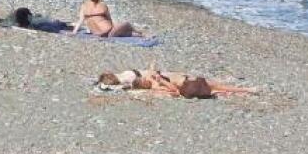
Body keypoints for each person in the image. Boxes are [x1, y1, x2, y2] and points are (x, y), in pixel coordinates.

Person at [96, 69, 254, 98]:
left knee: (216, 89)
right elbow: (174, 91)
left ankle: (242, 90)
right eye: (142, 80)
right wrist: (161, 80)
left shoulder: (150, 80)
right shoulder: (155, 84)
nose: (144, 79)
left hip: (187, 84)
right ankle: (245, 89)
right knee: (215, 86)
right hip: (188, 85)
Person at [72, 0, 138, 38]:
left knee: (124, 32)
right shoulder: (102, 5)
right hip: (108, 32)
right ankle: (139, 32)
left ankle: (138, 34)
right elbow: (109, 19)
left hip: (98, 33)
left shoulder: (84, 6)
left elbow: (80, 21)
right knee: (127, 24)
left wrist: (74, 32)